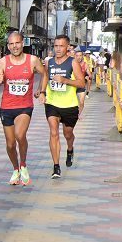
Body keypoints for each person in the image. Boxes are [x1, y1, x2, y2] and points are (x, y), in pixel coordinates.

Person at [0, 30, 45, 185]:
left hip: (25, 106)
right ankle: (16, 169)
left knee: (19, 135)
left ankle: (23, 164)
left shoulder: (32, 60)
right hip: (7, 107)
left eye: (17, 43)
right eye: (11, 44)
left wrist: (41, 91)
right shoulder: (3, 62)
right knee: (10, 144)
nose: (15, 46)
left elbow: (44, 74)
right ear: (8, 46)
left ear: (23, 44)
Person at [40, 35, 86, 178]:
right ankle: (56, 166)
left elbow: (81, 83)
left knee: (68, 134)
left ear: (67, 48)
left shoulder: (73, 63)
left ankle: (70, 149)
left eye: (61, 46)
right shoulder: (49, 62)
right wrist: (42, 92)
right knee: (53, 133)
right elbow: (45, 77)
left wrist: (65, 80)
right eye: (55, 46)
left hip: (69, 105)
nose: (58, 49)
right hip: (52, 103)